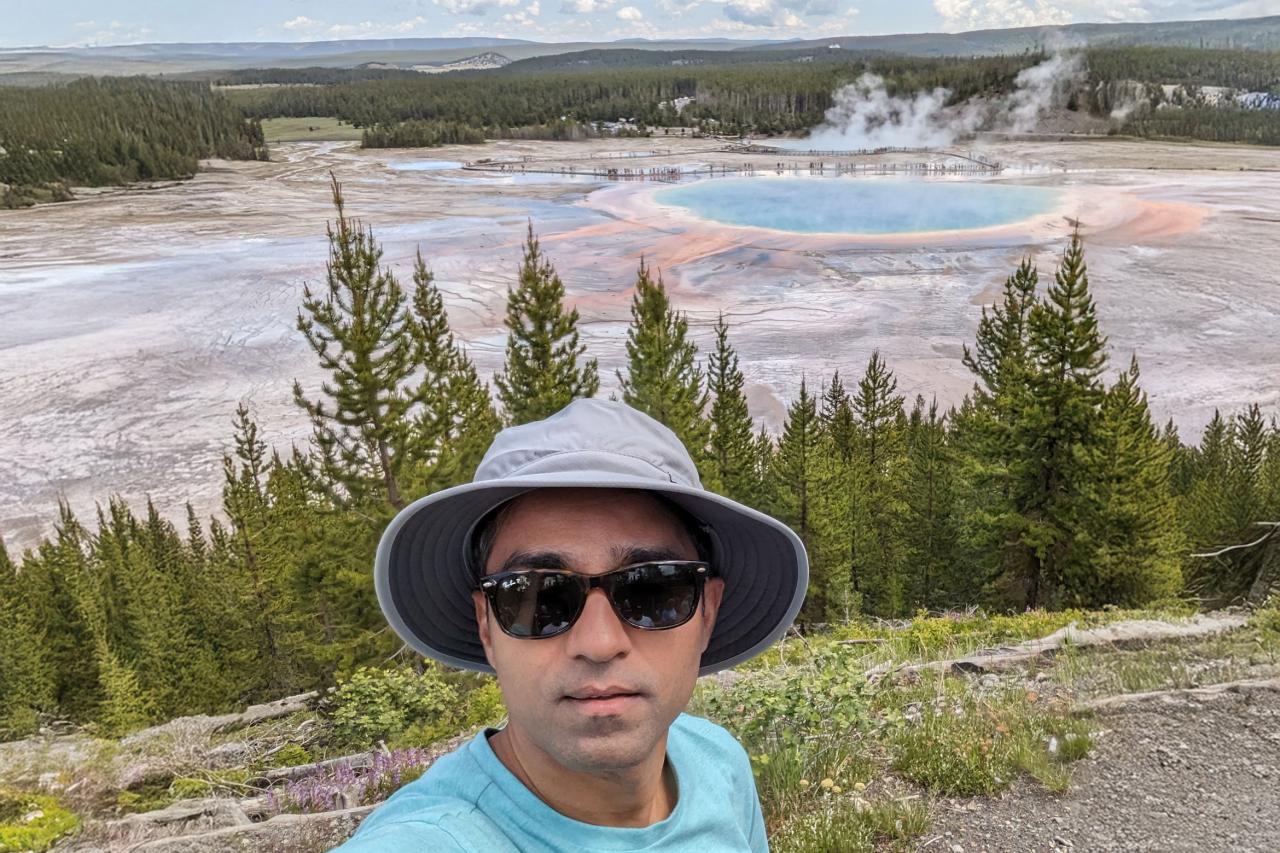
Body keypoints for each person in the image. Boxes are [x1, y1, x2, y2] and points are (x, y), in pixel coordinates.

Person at [336, 398, 808, 852]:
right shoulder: (432, 838)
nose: (600, 643)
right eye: (540, 596)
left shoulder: (719, 763)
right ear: (486, 626)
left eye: (652, 590)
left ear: (707, 612)